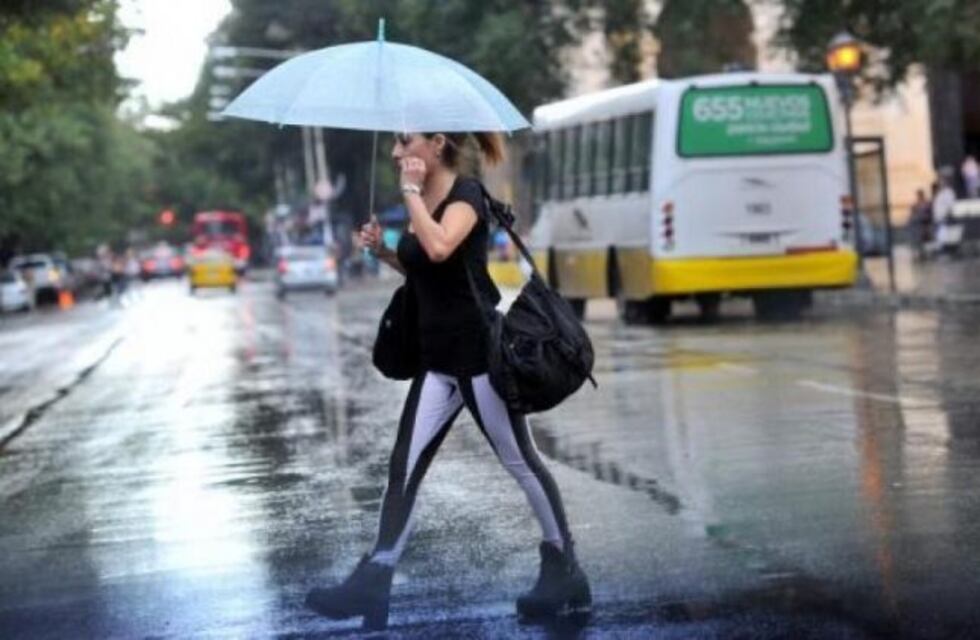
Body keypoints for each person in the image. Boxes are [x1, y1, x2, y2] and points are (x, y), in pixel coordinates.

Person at [305, 131, 591, 629]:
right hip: (437, 362)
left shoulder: (467, 195)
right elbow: (424, 268)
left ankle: (565, 567)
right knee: (403, 468)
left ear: (436, 144)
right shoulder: (423, 196)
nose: (396, 153)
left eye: (404, 142)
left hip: (481, 358)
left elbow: (439, 248)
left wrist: (410, 194)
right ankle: (375, 580)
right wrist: (385, 252)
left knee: (520, 461)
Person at [909, 188, 933, 261]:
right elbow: (912, 215)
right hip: (917, 225)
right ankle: (919, 253)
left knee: (921, 236)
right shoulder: (915, 205)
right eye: (918, 195)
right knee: (916, 235)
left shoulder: (927, 204)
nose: (919, 197)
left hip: (924, 224)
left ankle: (922, 253)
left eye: (920, 195)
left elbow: (929, 215)